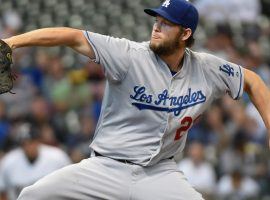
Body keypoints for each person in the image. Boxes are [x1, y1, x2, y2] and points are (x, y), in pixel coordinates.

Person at [1, 0, 269, 199]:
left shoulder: (206, 68)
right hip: (106, 167)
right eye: (156, 20)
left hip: (160, 173)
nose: (156, 27)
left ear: (185, 34)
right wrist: (12, 42)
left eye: (166, 23)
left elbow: (253, 81)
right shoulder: (128, 55)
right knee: (32, 196)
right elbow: (72, 36)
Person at [0, 122, 71, 200]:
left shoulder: (57, 156)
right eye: (24, 143)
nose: (28, 146)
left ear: (38, 140)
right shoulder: (8, 162)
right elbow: (2, 192)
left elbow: (72, 182)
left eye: (31, 142)